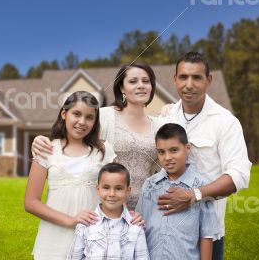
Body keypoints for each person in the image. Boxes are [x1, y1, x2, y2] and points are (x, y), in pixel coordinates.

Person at [157, 52, 251, 259]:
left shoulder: (225, 122)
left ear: (209, 80)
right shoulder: (165, 117)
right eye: (183, 77)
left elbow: (239, 175)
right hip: (166, 230)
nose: (189, 84)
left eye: (197, 77)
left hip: (207, 233)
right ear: (174, 80)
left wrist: (194, 196)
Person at [32, 63, 162, 210]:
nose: (141, 85)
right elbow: (72, 133)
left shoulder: (160, 124)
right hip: (106, 207)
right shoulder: (104, 116)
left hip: (147, 206)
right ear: (121, 88)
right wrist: (39, 141)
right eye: (133, 81)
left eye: (146, 81)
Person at [24, 91, 116, 260]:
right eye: (76, 114)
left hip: (93, 238)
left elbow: (116, 192)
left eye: (89, 117)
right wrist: (71, 220)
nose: (82, 122)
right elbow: (31, 202)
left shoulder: (103, 150)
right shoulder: (46, 150)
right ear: (64, 114)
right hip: (53, 240)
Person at [136, 123, 220, 260]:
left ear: (187, 149)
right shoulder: (150, 185)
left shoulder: (201, 186)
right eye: (161, 152)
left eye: (174, 150)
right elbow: (139, 225)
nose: (167, 157)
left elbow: (206, 234)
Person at [67, 162, 149, 260]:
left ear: (128, 191)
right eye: (106, 188)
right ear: (98, 189)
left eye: (118, 188)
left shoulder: (135, 226)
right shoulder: (85, 223)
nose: (112, 194)